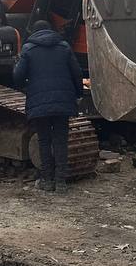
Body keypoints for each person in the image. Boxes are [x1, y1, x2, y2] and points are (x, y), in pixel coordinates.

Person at [12, 20, 84, 193]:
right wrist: (78, 94)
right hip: (62, 101)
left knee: (44, 140)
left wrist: (24, 84)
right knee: (60, 141)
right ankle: (61, 183)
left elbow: (18, 77)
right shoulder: (64, 47)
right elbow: (77, 73)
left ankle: (47, 180)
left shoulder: (28, 49)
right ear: (50, 31)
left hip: (39, 103)